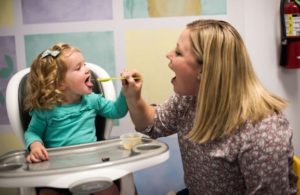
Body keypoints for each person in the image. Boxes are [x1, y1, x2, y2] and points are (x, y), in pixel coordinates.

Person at [121, 19, 298, 194]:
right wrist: (133, 98)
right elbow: (152, 125)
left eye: (178, 52)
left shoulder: (263, 130)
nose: (168, 54)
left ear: (204, 71)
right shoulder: (189, 100)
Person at [24, 43, 127, 195]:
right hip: (56, 174)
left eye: (84, 64)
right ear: (60, 84)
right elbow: (31, 133)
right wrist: (35, 146)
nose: (87, 69)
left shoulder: (91, 100)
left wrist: (126, 92)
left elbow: (117, 111)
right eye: (78, 68)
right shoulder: (46, 110)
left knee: (110, 191)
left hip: (91, 169)